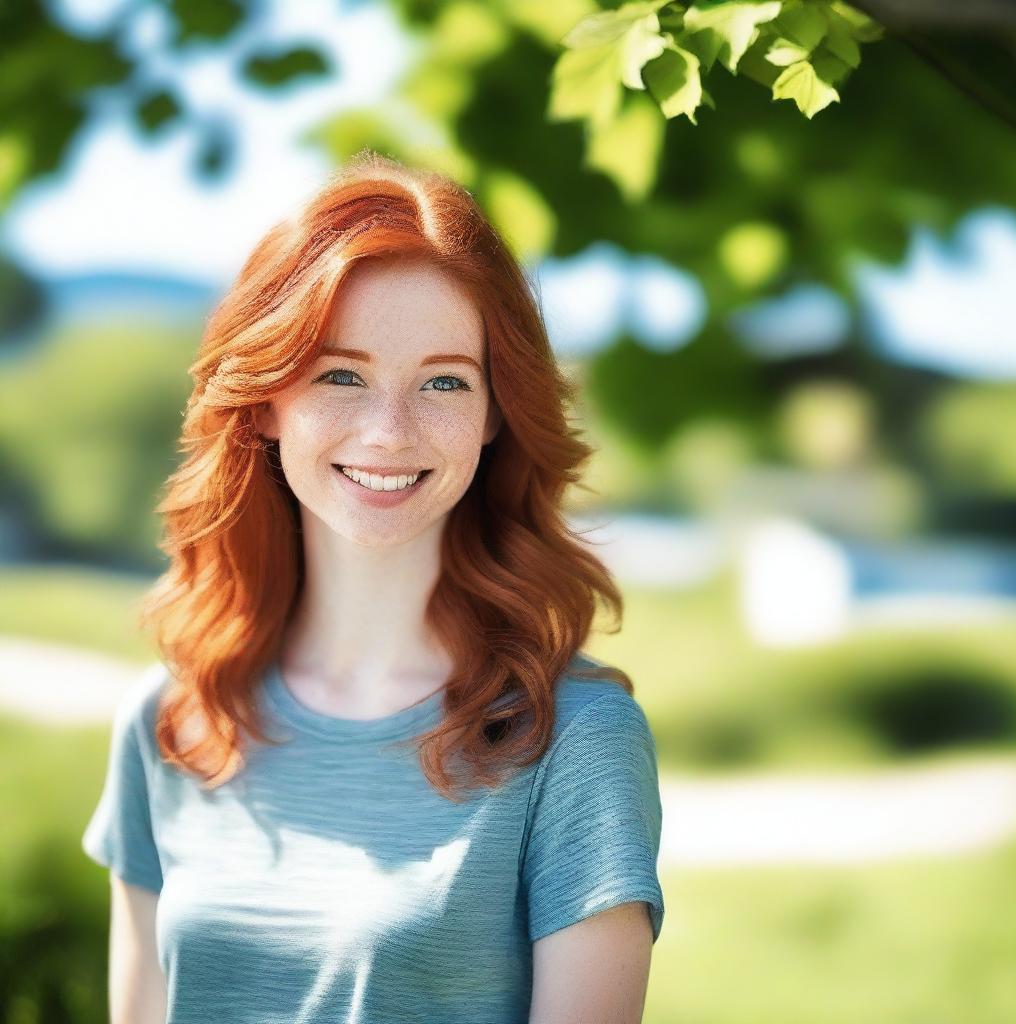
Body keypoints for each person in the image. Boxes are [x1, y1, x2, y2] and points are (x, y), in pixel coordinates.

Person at [82, 149, 665, 1023]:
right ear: (267, 401)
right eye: (340, 375)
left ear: (496, 414)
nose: (389, 431)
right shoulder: (173, 718)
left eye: (442, 381)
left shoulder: (574, 740)